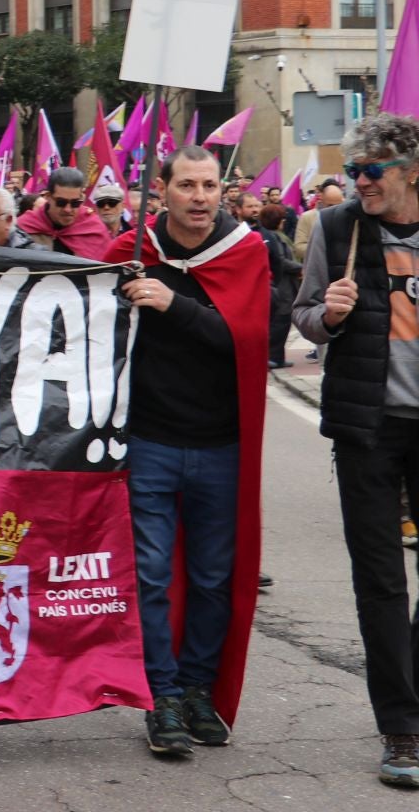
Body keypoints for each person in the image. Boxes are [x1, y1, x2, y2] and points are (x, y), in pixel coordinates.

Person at [103, 145, 270, 759]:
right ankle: (162, 695)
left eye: (209, 186)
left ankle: (199, 687)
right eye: (188, 186)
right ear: (162, 189)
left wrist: (173, 305)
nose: (200, 197)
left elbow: (246, 341)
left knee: (211, 579)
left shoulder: (245, 252)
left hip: (220, 444)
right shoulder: (131, 252)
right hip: (148, 440)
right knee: (149, 576)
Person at [291, 114, 419, 788]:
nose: (360, 182)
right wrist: (330, 315)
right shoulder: (340, 230)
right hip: (367, 427)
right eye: (354, 169)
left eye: (373, 170)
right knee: (380, 582)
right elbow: (305, 313)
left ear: (411, 171)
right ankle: (401, 727)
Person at [16, 168, 113, 260]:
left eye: (75, 203)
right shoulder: (23, 227)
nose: (68, 209)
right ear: (48, 197)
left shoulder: (94, 228)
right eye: (61, 202)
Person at [257, 203, 299, 368]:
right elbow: (281, 261)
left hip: (287, 283)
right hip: (282, 285)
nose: (283, 222)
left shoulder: (278, 236)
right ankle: (272, 356)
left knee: (284, 322)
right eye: (281, 219)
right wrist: (300, 268)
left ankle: (278, 357)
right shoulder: (273, 237)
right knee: (280, 321)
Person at [295, 182, 346, 262]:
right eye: (330, 205)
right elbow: (299, 248)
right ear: (321, 198)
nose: (334, 209)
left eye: (338, 206)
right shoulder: (307, 217)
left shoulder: (346, 217)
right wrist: (324, 249)